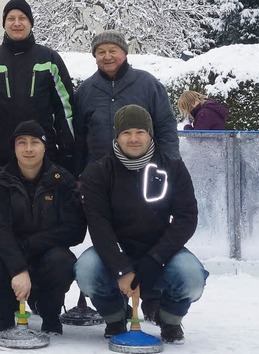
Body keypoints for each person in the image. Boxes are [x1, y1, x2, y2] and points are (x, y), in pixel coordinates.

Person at [75, 105, 208, 344]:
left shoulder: (173, 167)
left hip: (161, 250)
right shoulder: (98, 172)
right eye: (126, 133)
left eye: (140, 132)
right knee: (86, 269)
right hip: (116, 250)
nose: (133, 139)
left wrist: (156, 258)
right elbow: (98, 224)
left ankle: (168, 319)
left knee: (191, 276)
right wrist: (121, 268)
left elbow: (186, 217)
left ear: (150, 134)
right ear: (116, 136)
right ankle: (115, 318)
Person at [0, 121, 87, 335]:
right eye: (22, 143)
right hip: (9, 252)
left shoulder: (62, 180)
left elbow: (75, 229)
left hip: (47, 253)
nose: (28, 149)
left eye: (34, 142)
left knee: (63, 261)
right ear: (14, 147)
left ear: (44, 146)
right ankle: (5, 312)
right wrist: (18, 268)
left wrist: (32, 244)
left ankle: (49, 314)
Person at [0, 0, 76, 181]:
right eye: (11, 18)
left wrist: (67, 149)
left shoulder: (50, 60)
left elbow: (65, 109)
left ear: (31, 22)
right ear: (4, 23)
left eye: (22, 18)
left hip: (43, 159)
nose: (16, 23)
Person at [72, 30, 180, 179]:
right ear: (95, 57)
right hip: (98, 176)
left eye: (113, 51)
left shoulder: (148, 84)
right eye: (101, 52)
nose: (107, 56)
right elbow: (78, 137)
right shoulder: (85, 91)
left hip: (144, 173)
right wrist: (78, 174)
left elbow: (165, 126)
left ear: (124, 53)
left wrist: (170, 165)